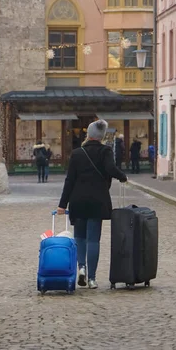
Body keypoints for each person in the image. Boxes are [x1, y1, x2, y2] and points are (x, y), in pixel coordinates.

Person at [57, 120, 127, 289]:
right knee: (93, 240)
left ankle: (81, 268)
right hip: (97, 201)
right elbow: (111, 168)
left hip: (77, 201)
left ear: (88, 135)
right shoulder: (105, 151)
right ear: (102, 137)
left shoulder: (77, 153)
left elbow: (69, 181)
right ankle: (92, 279)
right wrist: (122, 176)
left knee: (79, 238)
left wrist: (62, 204)